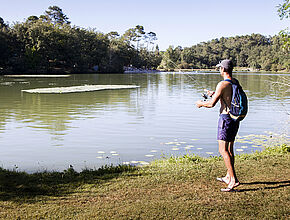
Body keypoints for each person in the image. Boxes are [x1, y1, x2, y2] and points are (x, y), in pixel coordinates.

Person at [195, 59, 240, 192]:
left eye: (220, 68)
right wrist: (214, 94)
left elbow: (210, 104)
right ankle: (228, 176)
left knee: (223, 150)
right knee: (230, 149)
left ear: (223, 70)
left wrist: (200, 103)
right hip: (234, 119)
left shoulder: (222, 84)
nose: (219, 70)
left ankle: (233, 180)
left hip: (225, 119)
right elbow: (228, 98)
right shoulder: (235, 82)